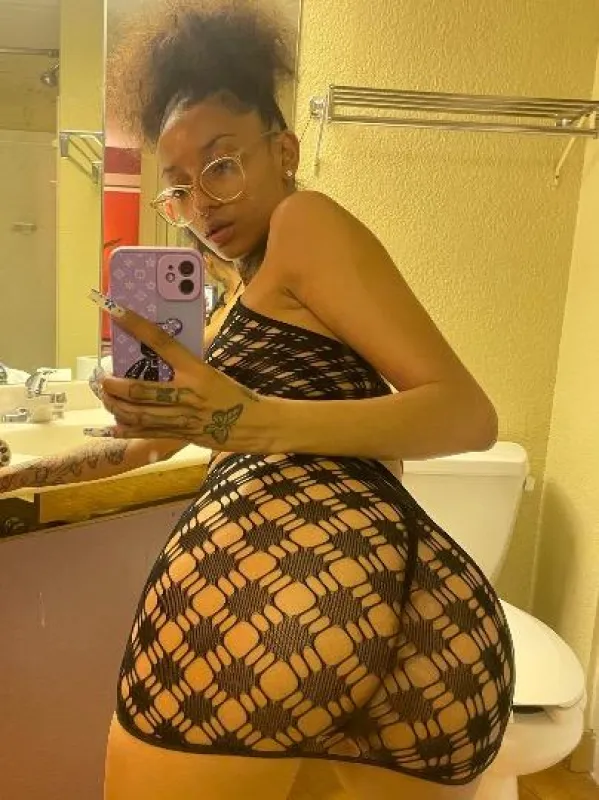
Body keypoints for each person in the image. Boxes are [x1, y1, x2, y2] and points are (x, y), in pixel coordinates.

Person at [1, 2, 514, 798]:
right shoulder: (237, 299)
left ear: (284, 150)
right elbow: (150, 447)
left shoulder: (306, 222)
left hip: (292, 601)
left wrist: (248, 421)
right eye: (177, 187)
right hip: (415, 626)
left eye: (220, 165)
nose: (202, 204)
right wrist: (26, 475)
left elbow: (466, 416)